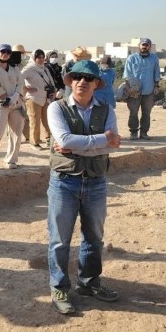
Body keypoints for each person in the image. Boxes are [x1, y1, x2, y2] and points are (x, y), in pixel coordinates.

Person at [46, 60, 121, 315]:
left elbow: (113, 146)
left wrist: (78, 145)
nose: (82, 82)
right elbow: (64, 140)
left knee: (93, 238)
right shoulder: (56, 108)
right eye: (77, 77)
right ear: (71, 81)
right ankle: (59, 288)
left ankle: (89, 283)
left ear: (97, 84)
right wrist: (101, 140)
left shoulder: (107, 109)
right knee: (59, 241)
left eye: (88, 78)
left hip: (96, 181)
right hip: (64, 182)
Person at [123, 37, 161, 140]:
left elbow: (156, 73)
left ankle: (144, 132)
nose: (144, 46)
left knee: (147, 113)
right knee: (133, 112)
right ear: (139, 46)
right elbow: (127, 75)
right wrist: (128, 88)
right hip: (134, 91)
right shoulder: (131, 58)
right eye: (143, 44)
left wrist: (157, 86)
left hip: (149, 91)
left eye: (146, 45)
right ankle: (134, 132)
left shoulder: (154, 58)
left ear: (149, 46)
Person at [21, 49, 56, 149]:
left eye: (42, 57)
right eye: (38, 57)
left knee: (47, 120)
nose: (41, 59)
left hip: (46, 98)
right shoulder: (28, 69)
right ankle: (34, 142)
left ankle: (49, 139)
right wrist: (27, 88)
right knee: (35, 121)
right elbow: (17, 79)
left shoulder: (44, 68)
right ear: (34, 58)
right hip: (33, 99)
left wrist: (53, 90)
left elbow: (50, 81)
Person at [10, 44, 31, 142]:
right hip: (12, 97)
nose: (22, 55)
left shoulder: (18, 66)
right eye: (21, 53)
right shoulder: (10, 67)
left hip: (21, 96)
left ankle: (27, 136)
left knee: (23, 117)